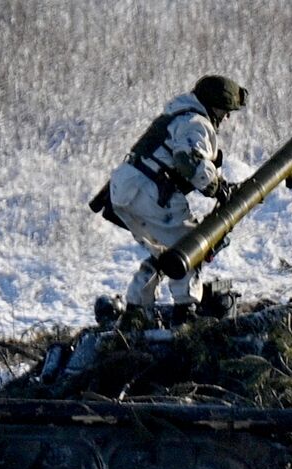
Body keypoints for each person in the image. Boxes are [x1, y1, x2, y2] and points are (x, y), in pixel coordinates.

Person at [105, 75, 247, 328]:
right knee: (191, 248)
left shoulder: (177, 114)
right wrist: (216, 188)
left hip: (125, 191)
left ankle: (135, 311)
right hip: (151, 192)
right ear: (214, 105)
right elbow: (187, 159)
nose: (227, 117)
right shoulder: (196, 123)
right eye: (226, 111)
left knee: (163, 254)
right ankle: (186, 312)